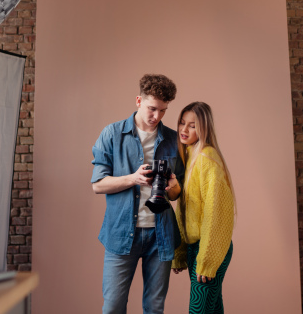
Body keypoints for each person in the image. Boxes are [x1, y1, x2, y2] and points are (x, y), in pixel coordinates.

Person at [91, 74, 184, 314]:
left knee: (154, 308)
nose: (157, 116)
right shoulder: (111, 134)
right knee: (113, 307)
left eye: (163, 110)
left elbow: (178, 194)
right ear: (138, 101)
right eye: (153, 109)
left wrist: (172, 187)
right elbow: (98, 184)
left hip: (161, 235)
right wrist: (133, 178)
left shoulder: (174, 140)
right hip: (121, 234)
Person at [172, 102, 235, 314]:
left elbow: (215, 214)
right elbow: (185, 210)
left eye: (192, 125)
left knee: (199, 311)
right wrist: (180, 252)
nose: (184, 129)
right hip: (195, 248)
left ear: (204, 128)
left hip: (210, 248)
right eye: (182, 123)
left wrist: (207, 259)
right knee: (213, 310)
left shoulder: (207, 158)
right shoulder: (188, 156)